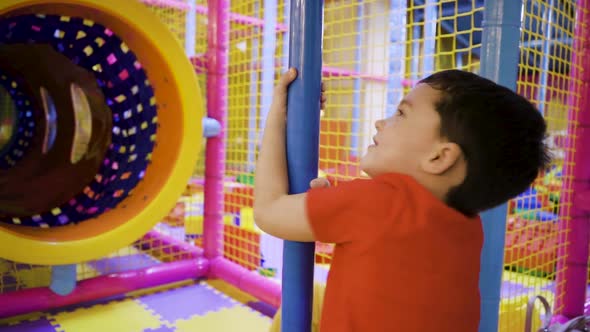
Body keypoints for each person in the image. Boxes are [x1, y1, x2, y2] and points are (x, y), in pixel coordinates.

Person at [254, 68, 550, 332]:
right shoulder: (469, 228)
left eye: (401, 114)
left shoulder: (377, 204)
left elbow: (269, 210)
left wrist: (278, 120)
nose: (381, 122)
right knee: (317, 298)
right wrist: (334, 200)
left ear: (439, 157)